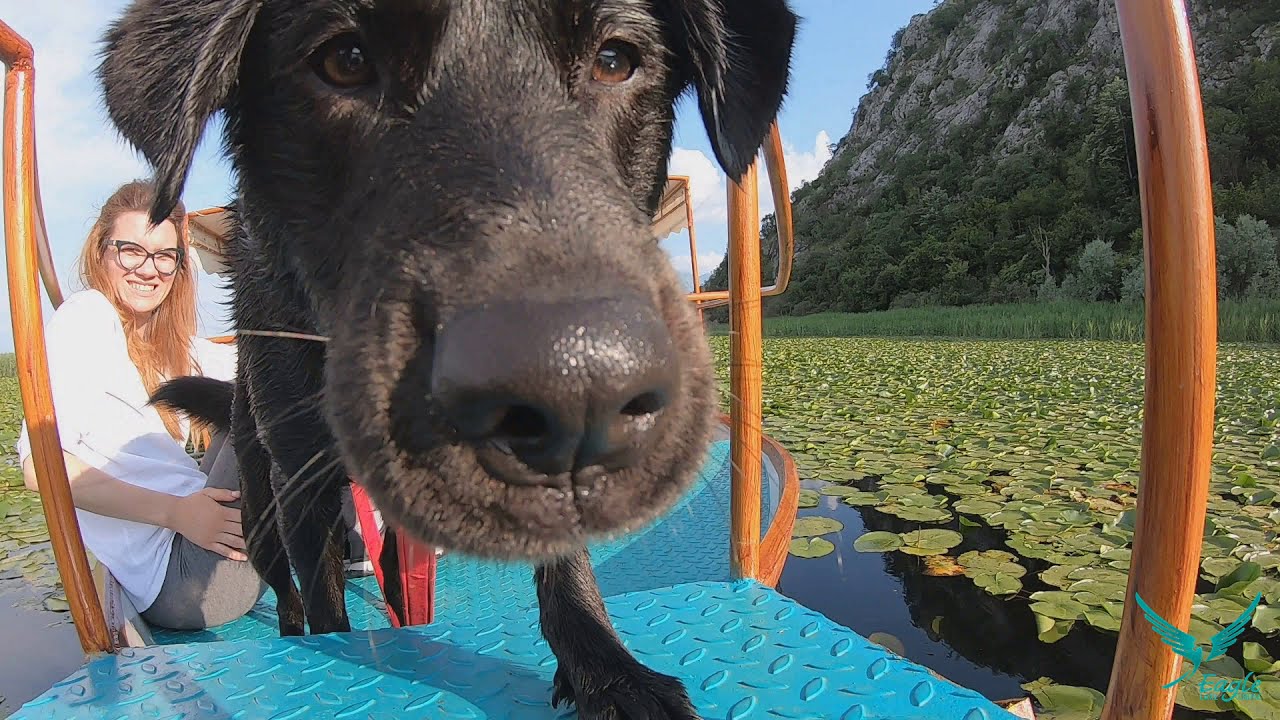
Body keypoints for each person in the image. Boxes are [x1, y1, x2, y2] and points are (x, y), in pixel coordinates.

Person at [16, 179, 265, 630]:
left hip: (200, 542)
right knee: (267, 395)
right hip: (185, 580)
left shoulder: (164, 347)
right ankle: (357, 540)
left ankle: (350, 535)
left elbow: (238, 359)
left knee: (265, 380)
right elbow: (41, 467)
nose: (148, 269)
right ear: (102, 252)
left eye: (165, 256)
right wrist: (177, 513)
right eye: (131, 250)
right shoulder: (86, 317)